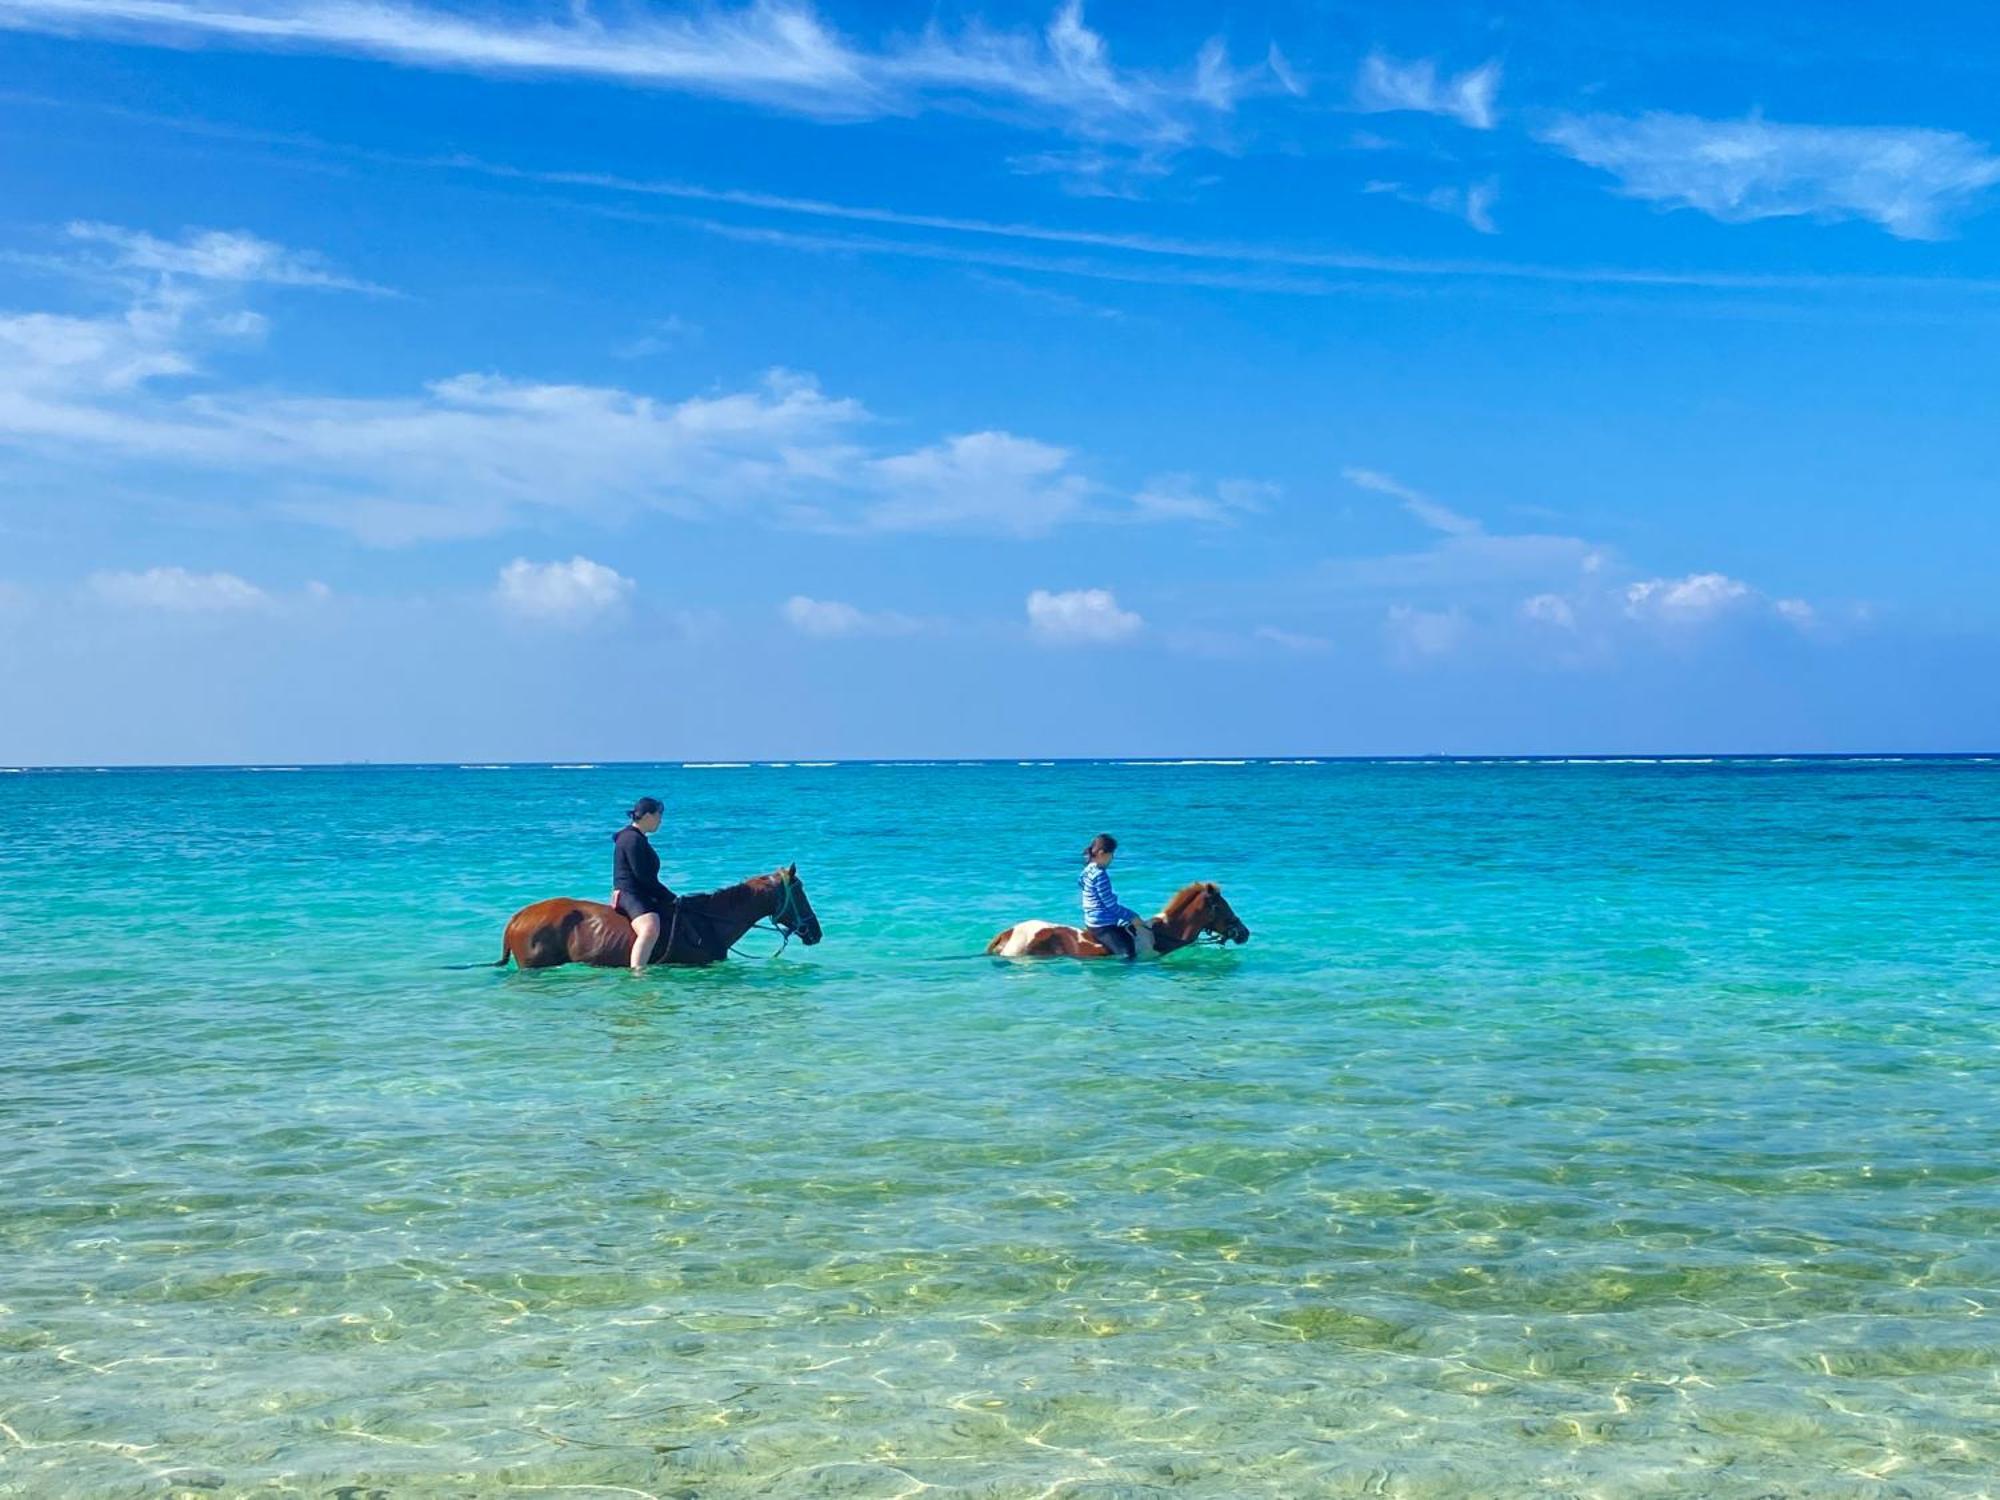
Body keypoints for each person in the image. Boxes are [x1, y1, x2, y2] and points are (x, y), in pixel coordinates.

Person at [611, 797, 675, 972]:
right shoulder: (631, 839)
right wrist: (669, 896)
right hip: (629, 893)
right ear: (647, 816)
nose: (660, 820)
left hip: (640, 892)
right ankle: (637, 973)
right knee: (650, 928)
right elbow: (643, 876)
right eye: (658, 816)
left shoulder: (638, 838)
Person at [1079, 833, 1141, 960]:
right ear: (1102, 853)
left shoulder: (1087, 870)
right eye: (1112, 854)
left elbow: (1081, 884)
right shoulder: (1100, 875)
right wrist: (1132, 917)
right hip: (1102, 925)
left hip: (1091, 919)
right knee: (1128, 954)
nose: (1112, 858)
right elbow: (1111, 906)